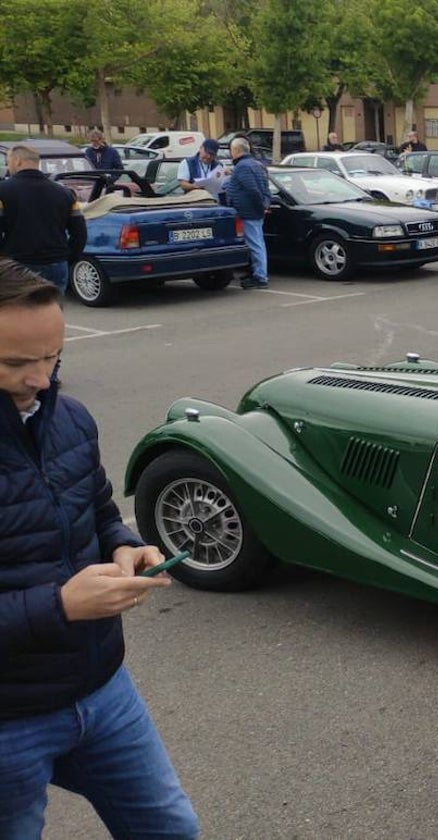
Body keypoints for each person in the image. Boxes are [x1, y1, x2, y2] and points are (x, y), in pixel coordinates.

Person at [0, 261, 198, 838]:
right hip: (8, 719)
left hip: (103, 688)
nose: (40, 379)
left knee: (170, 830)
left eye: (52, 358)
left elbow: (101, 511)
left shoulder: (70, 418)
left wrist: (125, 546)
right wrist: (61, 604)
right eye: (15, 364)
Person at [0, 145, 86, 294]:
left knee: (21, 314)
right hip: (56, 264)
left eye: (9, 161)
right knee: (53, 313)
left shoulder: (3, 191)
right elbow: (80, 233)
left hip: (17, 264)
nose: (8, 166)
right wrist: (67, 258)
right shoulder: (65, 193)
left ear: (18, 161)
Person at [225, 137, 272, 289]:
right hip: (255, 210)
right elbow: (265, 188)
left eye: (231, 150)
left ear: (236, 151)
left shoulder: (242, 167)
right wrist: (265, 204)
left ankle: (260, 277)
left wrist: (260, 206)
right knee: (258, 243)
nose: (230, 153)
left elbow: (252, 189)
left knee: (255, 244)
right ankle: (257, 273)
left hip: (249, 212)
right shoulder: (257, 165)